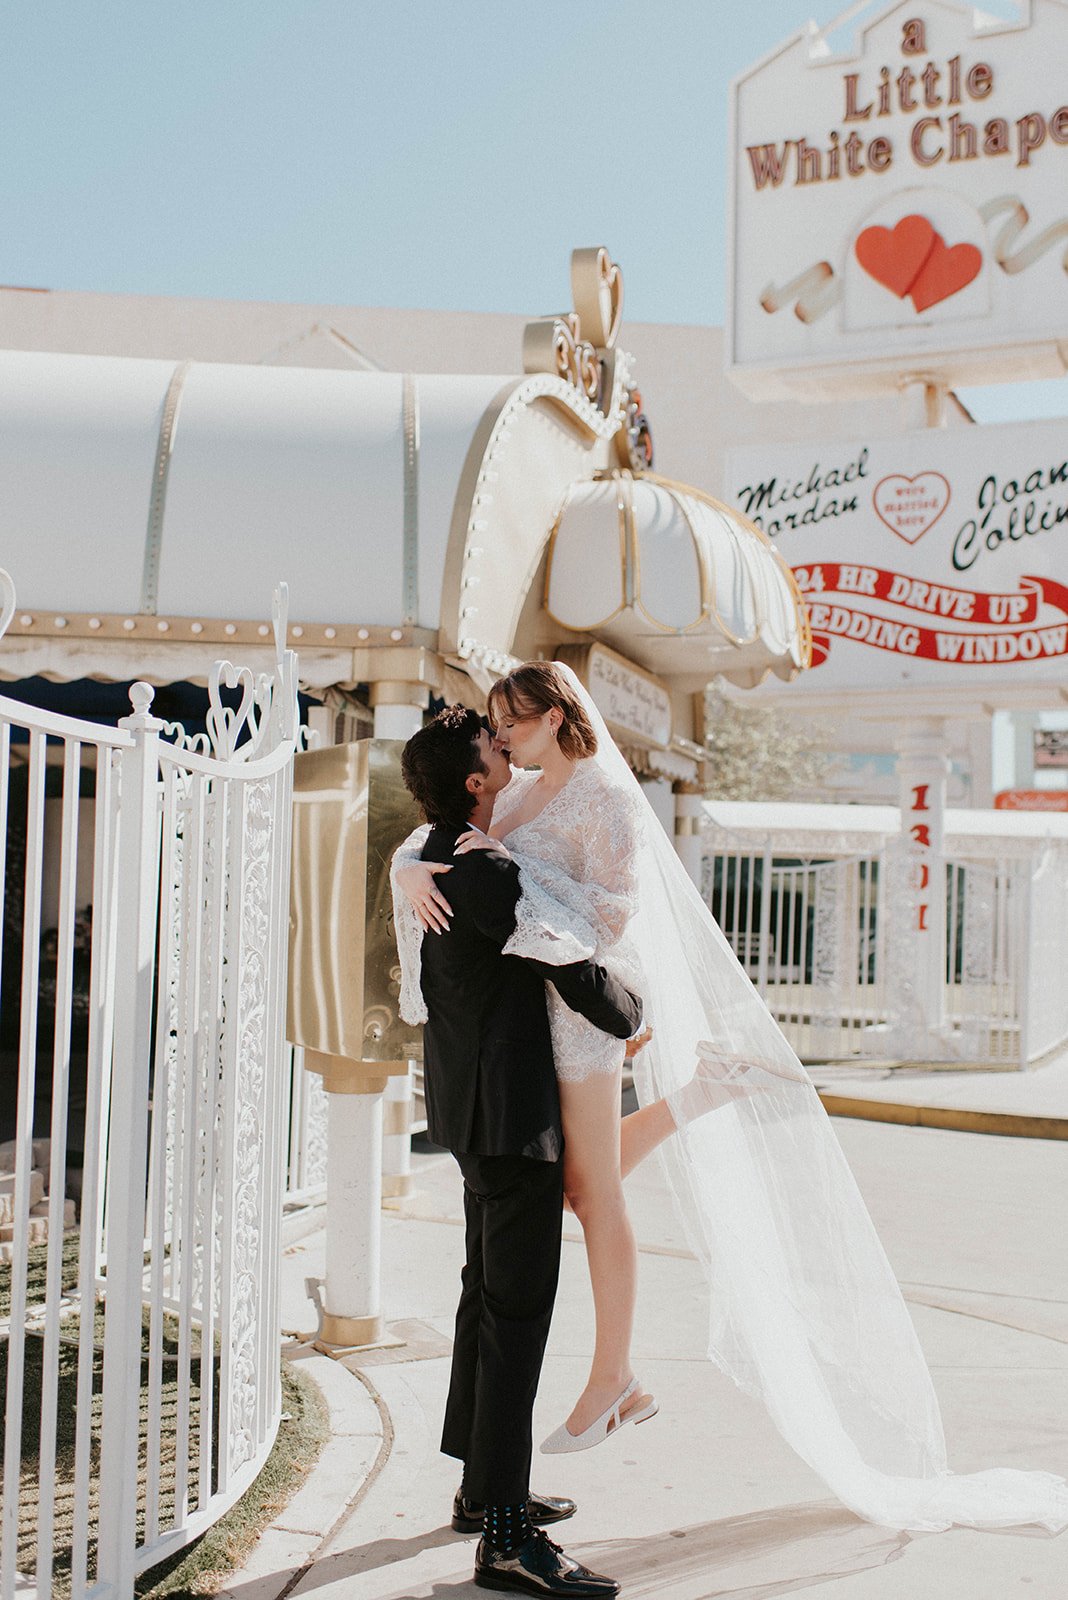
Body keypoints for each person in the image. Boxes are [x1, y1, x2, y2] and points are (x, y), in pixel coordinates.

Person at [393, 663, 1068, 1536]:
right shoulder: (514, 791)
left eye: (514, 722)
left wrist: (518, 895)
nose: (505, 736)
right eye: (497, 727)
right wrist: (412, 864)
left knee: (587, 1192)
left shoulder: (604, 795)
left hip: (580, 1009)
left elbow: (611, 915)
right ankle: (702, 1101)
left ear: (558, 717)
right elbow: (449, 830)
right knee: (567, 1189)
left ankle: (613, 1378)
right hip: (532, 1018)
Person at [395, 704, 644, 1598]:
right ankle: (504, 1537)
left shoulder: (423, 856)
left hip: (465, 1113)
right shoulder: (487, 874)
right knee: (516, 1322)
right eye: (492, 750)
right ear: (476, 783)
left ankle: (478, 1488)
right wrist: (636, 1012)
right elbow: (582, 978)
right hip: (512, 1125)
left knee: (483, 1298)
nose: (506, 752)